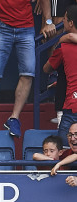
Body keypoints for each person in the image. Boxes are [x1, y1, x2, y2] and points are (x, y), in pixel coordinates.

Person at [0, 0, 54, 138]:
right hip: (0, 26)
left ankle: (14, 118)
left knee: (28, 73)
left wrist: (48, 22)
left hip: (26, 28)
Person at [44, 5, 77, 141]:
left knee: (63, 150)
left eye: (64, 18)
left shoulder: (63, 47)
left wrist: (59, 42)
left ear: (71, 23)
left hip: (72, 106)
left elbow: (46, 68)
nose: (62, 21)